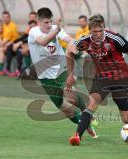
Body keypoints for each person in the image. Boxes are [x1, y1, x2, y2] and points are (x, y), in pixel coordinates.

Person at [66, 13, 128, 145]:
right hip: (102, 79)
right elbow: (69, 52)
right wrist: (70, 74)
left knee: (127, 120)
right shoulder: (85, 41)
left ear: (104, 27)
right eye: (95, 32)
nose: (98, 34)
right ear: (90, 30)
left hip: (120, 78)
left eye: (100, 30)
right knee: (91, 105)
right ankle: (77, 136)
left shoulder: (115, 38)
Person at [28, 7, 97, 138]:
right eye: (45, 23)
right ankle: (86, 124)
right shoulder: (34, 32)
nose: (49, 25)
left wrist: (73, 44)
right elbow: (43, 42)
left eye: (50, 22)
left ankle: (87, 113)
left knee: (70, 97)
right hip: (45, 77)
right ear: (38, 21)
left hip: (61, 69)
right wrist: (56, 30)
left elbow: (68, 39)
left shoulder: (55, 28)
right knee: (65, 109)